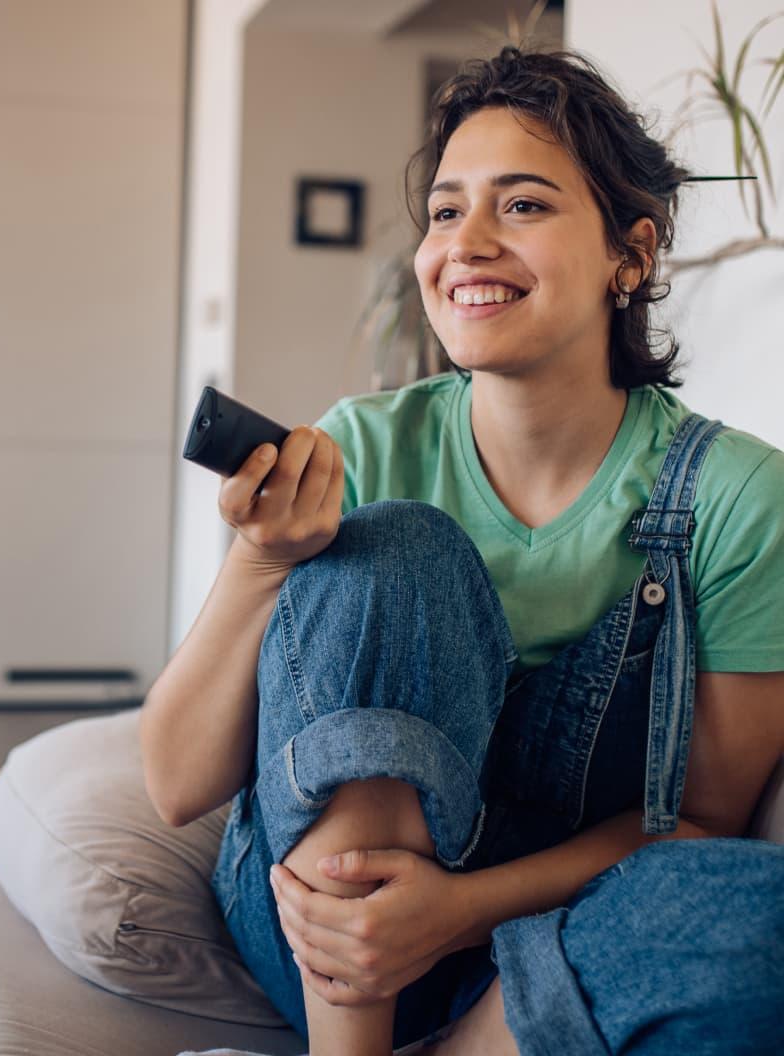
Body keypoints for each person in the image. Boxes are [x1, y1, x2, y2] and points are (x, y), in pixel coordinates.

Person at [141, 46, 784, 1056]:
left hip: (551, 926)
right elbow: (177, 784)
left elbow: (697, 825)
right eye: (446, 212)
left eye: (522, 206)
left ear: (634, 253)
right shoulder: (363, 446)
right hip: (318, 941)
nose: (467, 244)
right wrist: (260, 564)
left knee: (764, 919)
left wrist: (459, 908)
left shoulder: (737, 497)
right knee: (399, 548)